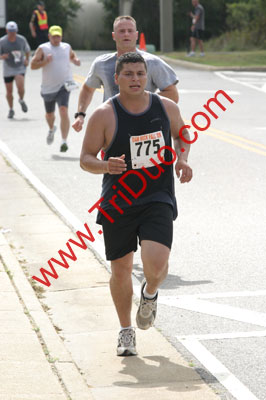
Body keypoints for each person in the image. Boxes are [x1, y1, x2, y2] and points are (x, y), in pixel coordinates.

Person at [80, 52, 193, 356]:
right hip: (118, 202)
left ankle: (151, 293)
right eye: (128, 74)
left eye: (140, 74)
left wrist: (182, 159)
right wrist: (106, 166)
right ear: (116, 79)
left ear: (148, 77)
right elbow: (86, 159)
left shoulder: (165, 106)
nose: (135, 79)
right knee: (121, 270)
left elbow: (184, 134)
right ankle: (125, 330)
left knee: (156, 264)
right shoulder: (104, 114)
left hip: (157, 196)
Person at [72, 15, 179, 133]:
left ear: (137, 35)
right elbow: (87, 89)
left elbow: (172, 94)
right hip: (112, 128)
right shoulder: (101, 64)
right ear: (114, 35)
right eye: (122, 31)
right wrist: (80, 114)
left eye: (130, 31)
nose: (126, 34)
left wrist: (145, 101)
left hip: (145, 128)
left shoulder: (152, 63)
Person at [30, 25, 81, 152]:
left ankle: (64, 141)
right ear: (49, 36)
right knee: (49, 115)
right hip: (48, 88)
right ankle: (52, 128)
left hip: (64, 85)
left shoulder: (66, 47)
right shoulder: (43, 48)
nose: (56, 39)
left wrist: (75, 60)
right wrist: (45, 62)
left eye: (58, 36)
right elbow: (32, 65)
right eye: (54, 36)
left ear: (61, 36)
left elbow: (73, 56)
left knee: (63, 110)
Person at [0, 21, 30, 119]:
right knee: (9, 91)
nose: (12, 33)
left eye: (14, 31)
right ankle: (11, 109)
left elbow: (27, 50)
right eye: (10, 31)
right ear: (7, 31)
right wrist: (2, 56)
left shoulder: (21, 39)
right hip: (8, 68)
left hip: (19, 67)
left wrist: (26, 59)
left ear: (16, 30)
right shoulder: (2, 41)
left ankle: (21, 100)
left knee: (20, 86)